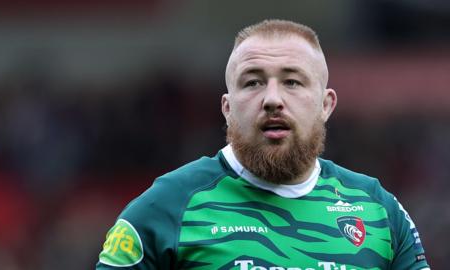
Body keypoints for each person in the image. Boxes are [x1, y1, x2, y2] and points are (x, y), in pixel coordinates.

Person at [96, 19, 430, 270]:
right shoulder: (166, 207)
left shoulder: (377, 209)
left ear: (326, 105)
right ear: (227, 107)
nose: (272, 99)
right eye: (253, 82)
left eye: (292, 81)